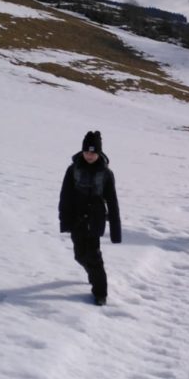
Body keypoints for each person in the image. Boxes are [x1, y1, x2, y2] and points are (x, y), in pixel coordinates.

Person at [59, 130, 122, 306]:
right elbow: (65, 196)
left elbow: (113, 202)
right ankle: (93, 274)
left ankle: (100, 292)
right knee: (79, 255)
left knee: (93, 256)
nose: (89, 155)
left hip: (95, 220)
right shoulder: (73, 170)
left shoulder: (106, 174)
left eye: (93, 152)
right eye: (87, 152)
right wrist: (65, 221)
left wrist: (116, 232)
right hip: (76, 219)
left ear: (99, 153)